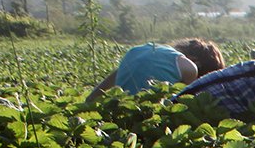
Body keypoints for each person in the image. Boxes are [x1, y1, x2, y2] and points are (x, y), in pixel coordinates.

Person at [85, 38, 224, 104]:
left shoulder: (141, 50)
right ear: (196, 61)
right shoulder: (189, 68)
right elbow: (189, 102)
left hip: (120, 107)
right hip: (146, 113)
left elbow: (97, 92)